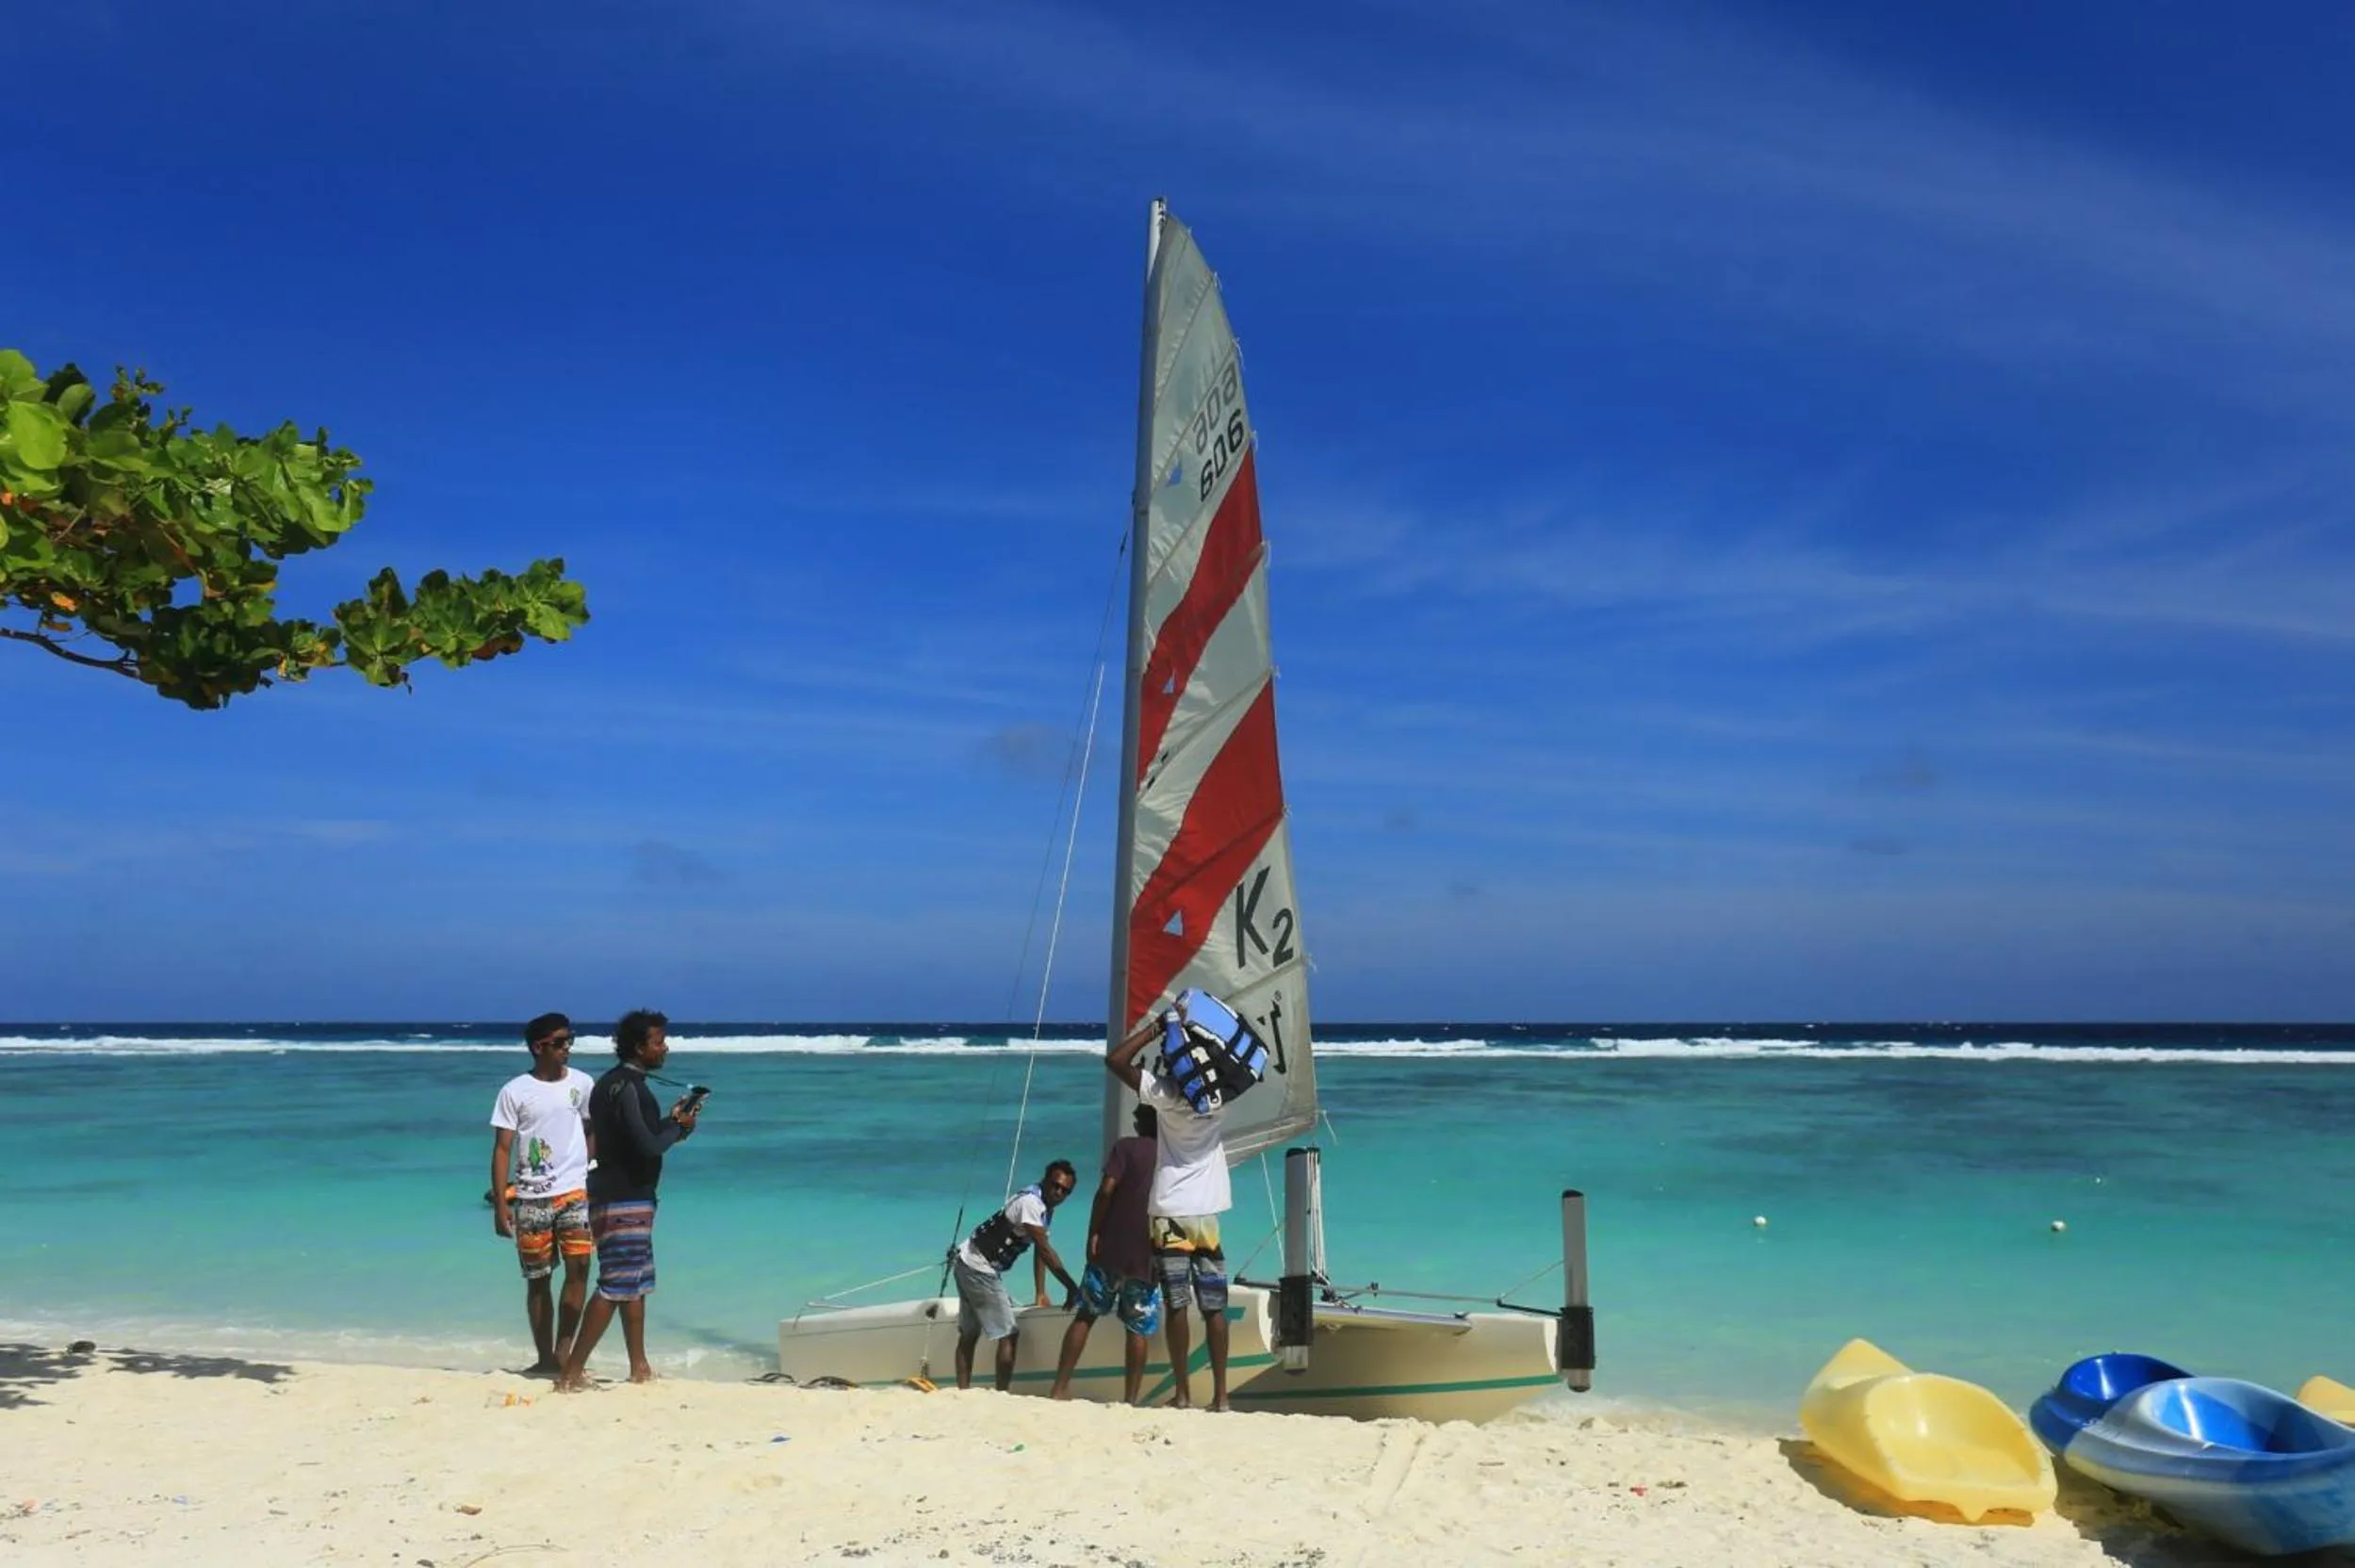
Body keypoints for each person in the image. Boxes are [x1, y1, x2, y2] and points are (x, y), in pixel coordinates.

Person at [556, 1009, 700, 1392]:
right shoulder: (630, 1087)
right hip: (624, 1197)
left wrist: (673, 1126)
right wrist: (677, 1127)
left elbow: (634, 1138)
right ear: (639, 1047)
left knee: (634, 1281)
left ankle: (640, 1366)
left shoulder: (610, 1084)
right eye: (658, 1042)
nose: (665, 1048)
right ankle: (571, 1374)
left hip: (615, 1192)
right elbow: (649, 1145)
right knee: (616, 1285)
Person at [1106, 1014, 1234, 1410]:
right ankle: (1221, 1397)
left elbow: (1116, 1061)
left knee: (1177, 1304)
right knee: (1214, 1306)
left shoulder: (1167, 1094)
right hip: (1207, 1216)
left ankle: (1182, 1394)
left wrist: (1157, 1028)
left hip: (1172, 1213)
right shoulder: (1220, 1097)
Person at [489, 1012, 597, 1375]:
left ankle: (564, 1351)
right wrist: (500, 1206)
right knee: (538, 1281)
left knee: (579, 1270)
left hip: (575, 1193)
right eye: (560, 1042)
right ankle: (545, 1357)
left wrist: (589, 1167)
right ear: (539, 1047)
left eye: (570, 1040)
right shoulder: (515, 1091)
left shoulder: (582, 1083)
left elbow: (591, 1128)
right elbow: (502, 1149)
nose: (568, 1047)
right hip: (531, 1198)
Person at [1049, 1102, 1162, 1404]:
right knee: (1137, 1327)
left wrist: (1094, 1233)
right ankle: (1130, 1400)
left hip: (1110, 1249)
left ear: (1138, 1124)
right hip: (1147, 1255)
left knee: (1086, 1315)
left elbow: (1106, 1190)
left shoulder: (1125, 1148)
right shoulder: (1171, 1156)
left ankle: (1059, 1388)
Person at [951, 1160, 1080, 1392]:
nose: (1059, 1193)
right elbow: (1046, 1251)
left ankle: (963, 1391)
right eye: (1055, 1185)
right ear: (1045, 1180)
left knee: (970, 1333)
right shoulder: (1030, 1203)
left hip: (966, 1260)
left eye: (1065, 1191)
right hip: (979, 1269)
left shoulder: (1043, 1205)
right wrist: (1072, 1287)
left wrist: (1041, 1292)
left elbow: (1040, 1249)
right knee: (1009, 1334)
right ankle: (1002, 1394)